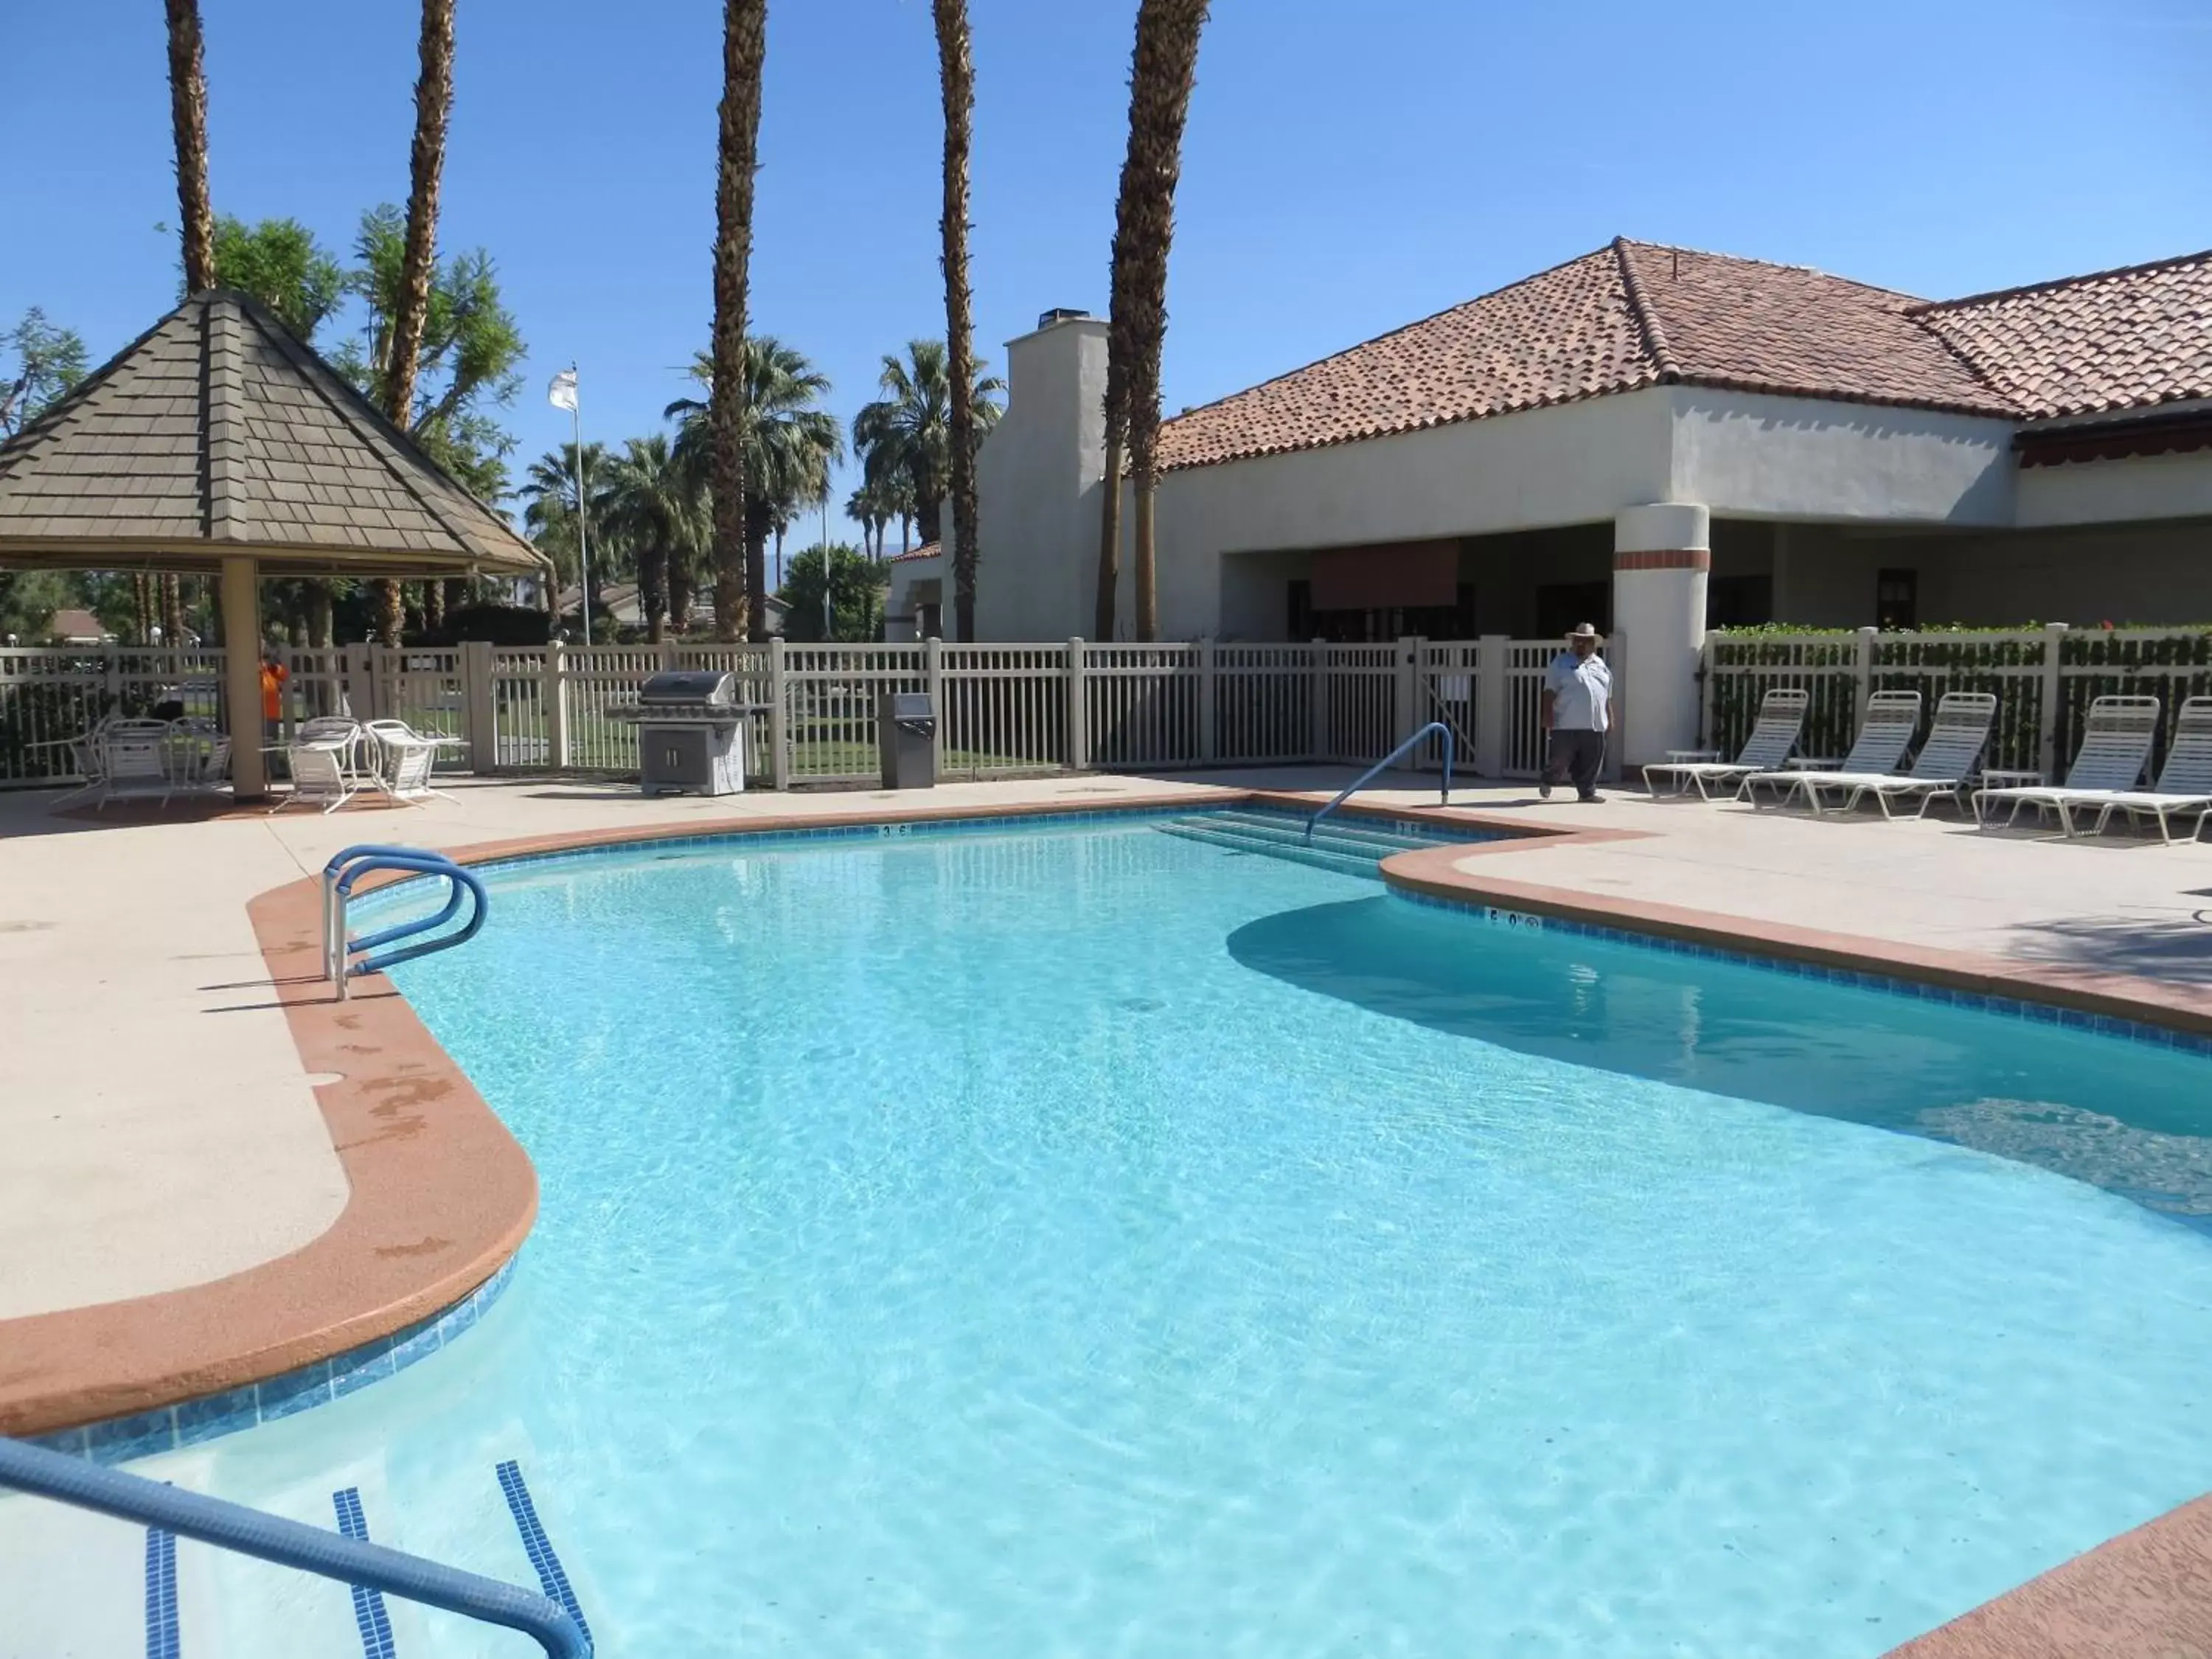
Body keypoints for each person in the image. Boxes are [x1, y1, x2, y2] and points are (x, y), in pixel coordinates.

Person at [1540, 623, 1611, 802]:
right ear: (1573, 642)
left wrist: (1610, 717)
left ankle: (1587, 792)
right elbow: (1549, 691)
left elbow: (1607, 694)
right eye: (1578, 640)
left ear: (1593, 644)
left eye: (1586, 641)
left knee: (1592, 760)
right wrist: (1547, 715)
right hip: (1566, 722)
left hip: (1595, 724)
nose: (1581, 644)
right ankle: (1549, 780)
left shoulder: (1600, 665)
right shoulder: (1561, 663)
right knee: (1560, 759)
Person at [258, 648, 289, 745]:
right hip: (259, 714)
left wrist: (276, 663)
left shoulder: (272, 670)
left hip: (272, 713)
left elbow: (284, 675)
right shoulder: (258, 668)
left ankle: (273, 760)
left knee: (272, 745)